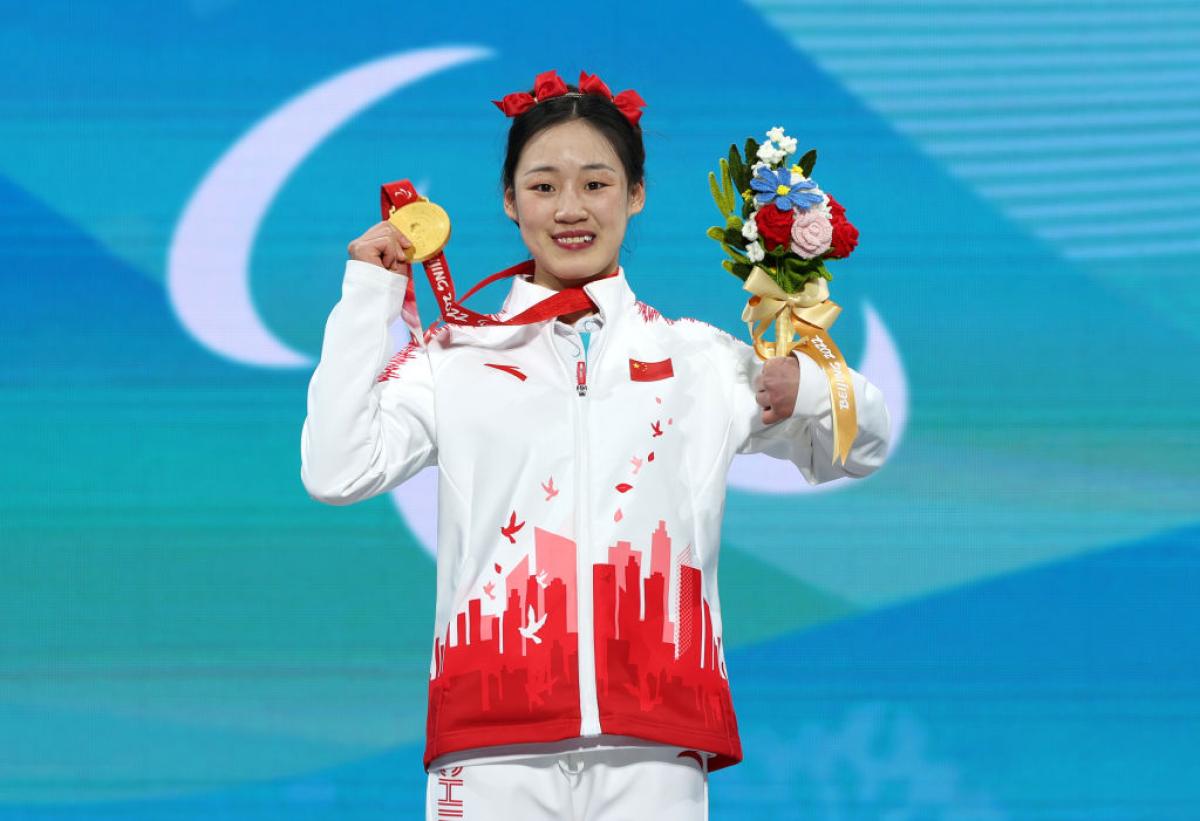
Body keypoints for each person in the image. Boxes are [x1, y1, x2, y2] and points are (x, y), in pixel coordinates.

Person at [300, 69, 891, 821]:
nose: (570, 208)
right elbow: (334, 467)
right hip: (488, 741)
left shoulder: (697, 359)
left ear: (636, 193)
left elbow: (859, 445)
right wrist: (366, 297)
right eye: (543, 187)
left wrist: (805, 386)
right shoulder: (453, 358)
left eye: (596, 182)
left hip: (655, 741)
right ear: (509, 201)